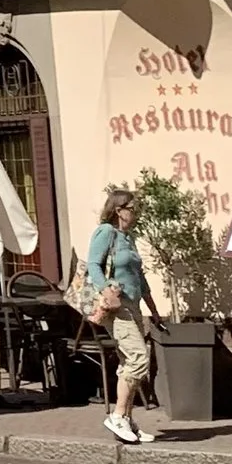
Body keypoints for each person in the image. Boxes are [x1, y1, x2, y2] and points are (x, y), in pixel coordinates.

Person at [86, 183, 154, 447]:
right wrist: (105, 290)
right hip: (117, 307)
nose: (135, 213)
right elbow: (93, 263)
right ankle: (116, 416)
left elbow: (140, 277)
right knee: (138, 359)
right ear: (118, 210)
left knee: (129, 363)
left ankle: (127, 421)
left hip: (134, 306)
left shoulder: (128, 238)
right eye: (132, 208)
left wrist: (154, 310)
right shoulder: (106, 232)